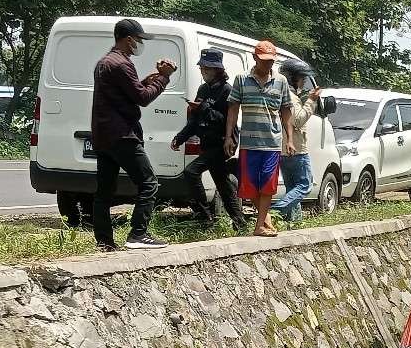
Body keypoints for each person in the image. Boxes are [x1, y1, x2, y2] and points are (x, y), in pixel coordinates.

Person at [91, 18, 176, 250]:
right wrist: (163, 77)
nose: (139, 44)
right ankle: (138, 234)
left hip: (103, 135)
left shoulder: (104, 62)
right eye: (138, 40)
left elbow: (124, 92)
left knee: (104, 192)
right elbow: (143, 98)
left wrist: (145, 80)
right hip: (123, 135)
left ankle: (104, 241)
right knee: (149, 182)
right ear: (128, 40)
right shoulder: (122, 64)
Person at [172, 49, 246, 231]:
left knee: (191, 172)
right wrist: (180, 138)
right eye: (202, 69)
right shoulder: (203, 89)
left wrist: (203, 107)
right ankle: (240, 222)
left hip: (222, 143)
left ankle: (204, 217)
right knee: (223, 183)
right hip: (206, 142)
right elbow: (195, 121)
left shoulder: (227, 90)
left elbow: (226, 120)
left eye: (208, 69)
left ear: (218, 70)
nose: (204, 72)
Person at [224, 40, 293, 237]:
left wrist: (289, 139)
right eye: (264, 61)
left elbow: (286, 111)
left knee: (268, 186)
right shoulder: (241, 79)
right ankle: (265, 219)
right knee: (250, 186)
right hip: (249, 142)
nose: (267, 64)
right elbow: (233, 110)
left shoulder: (281, 81)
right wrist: (228, 137)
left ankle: (260, 224)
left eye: (271, 61)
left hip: (272, 142)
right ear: (255, 58)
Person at [271, 57, 322, 222]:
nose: (303, 82)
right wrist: (311, 101)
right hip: (296, 149)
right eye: (302, 78)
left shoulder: (281, 94)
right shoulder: (291, 98)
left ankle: (293, 221)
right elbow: (298, 120)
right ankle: (272, 213)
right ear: (293, 78)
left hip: (283, 149)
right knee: (305, 186)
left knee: (292, 188)